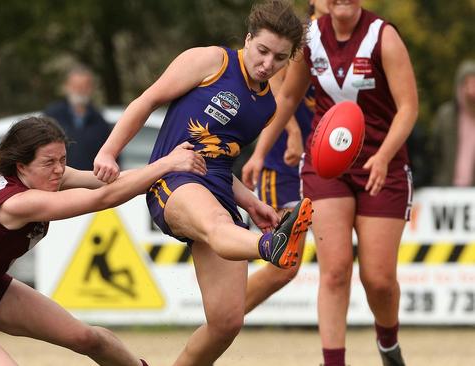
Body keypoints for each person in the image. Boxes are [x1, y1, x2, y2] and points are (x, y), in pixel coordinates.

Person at [93, 1, 312, 364]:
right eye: (262, 51)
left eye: (279, 58)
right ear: (247, 39)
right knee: (218, 224)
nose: (267, 64)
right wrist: (108, 152)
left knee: (227, 321)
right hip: (174, 179)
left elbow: (222, 161)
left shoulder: (266, 106)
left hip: (220, 190)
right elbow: (147, 100)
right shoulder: (212, 62)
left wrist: (252, 203)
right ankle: (269, 245)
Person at [0, 116, 206, 365]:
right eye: (49, 162)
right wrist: (167, 164)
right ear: (21, 166)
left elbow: (104, 182)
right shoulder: (17, 203)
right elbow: (103, 198)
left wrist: (169, 169)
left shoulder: (42, 176)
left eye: (63, 159)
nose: (59, 169)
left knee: (85, 337)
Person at [242, 1, 418, 365]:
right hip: (327, 166)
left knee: (379, 280)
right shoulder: (312, 40)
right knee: (334, 270)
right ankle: (333, 361)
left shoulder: (382, 37)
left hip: (381, 167)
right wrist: (259, 153)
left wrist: (384, 156)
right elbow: (288, 96)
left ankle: (388, 343)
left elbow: (408, 107)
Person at [241, 0, 327, 314]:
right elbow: (278, 88)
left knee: (335, 264)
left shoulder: (357, 41)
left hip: (325, 167)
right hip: (283, 164)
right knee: (284, 265)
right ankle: (220, 322)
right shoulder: (303, 38)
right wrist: (291, 131)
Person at [44, 65, 112, 171]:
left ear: (91, 88)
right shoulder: (53, 116)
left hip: (91, 182)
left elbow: (111, 155)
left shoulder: (100, 120)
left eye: (85, 86)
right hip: (58, 180)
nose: (80, 90)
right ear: (66, 87)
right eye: (76, 86)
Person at [431, 59, 475, 186]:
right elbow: (433, 152)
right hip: (446, 192)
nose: (471, 92)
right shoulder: (445, 116)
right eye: (466, 85)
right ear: (458, 88)